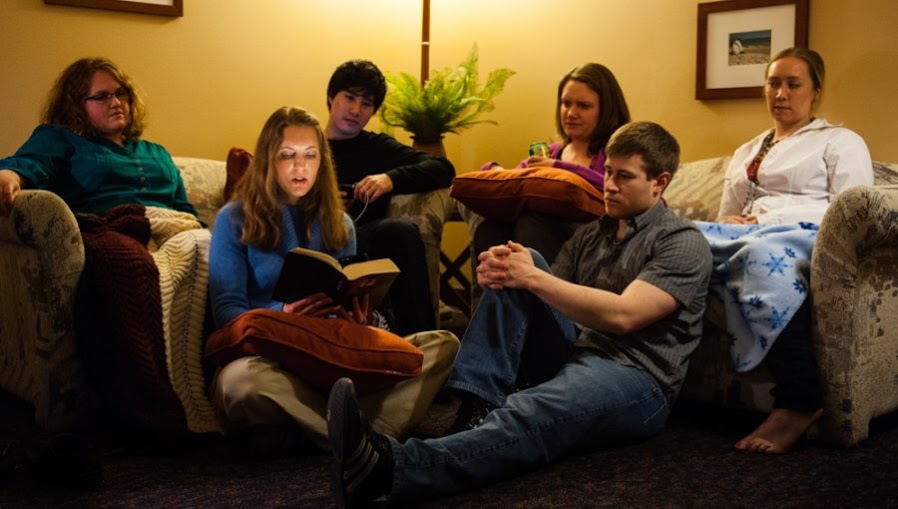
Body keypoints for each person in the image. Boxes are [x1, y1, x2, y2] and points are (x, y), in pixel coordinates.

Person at [326, 121, 713, 507]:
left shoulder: (681, 241)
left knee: (530, 408)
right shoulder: (594, 234)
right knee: (520, 260)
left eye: (624, 177)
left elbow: (625, 316)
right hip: (576, 347)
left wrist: (531, 278)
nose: (609, 184)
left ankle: (389, 470)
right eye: (608, 172)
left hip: (635, 374)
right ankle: (475, 408)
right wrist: (509, 271)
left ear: (659, 182)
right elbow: (547, 296)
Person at [208, 106, 458, 455]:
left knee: (442, 346)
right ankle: (360, 434)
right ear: (268, 158)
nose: (300, 167)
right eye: (287, 155)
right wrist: (283, 315)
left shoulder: (340, 223)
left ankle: (308, 428)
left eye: (310, 155)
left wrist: (359, 317)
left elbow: (343, 295)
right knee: (240, 385)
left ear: (322, 161)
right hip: (269, 358)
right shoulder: (234, 218)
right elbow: (226, 312)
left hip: (329, 357)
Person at [705, 47, 873, 454]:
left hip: (810, 236)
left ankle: (799, 401)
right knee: (681, 240)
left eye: (793, 84)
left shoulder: (840, 141)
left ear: (815, 91)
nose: (781, 93)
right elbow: (726, 216)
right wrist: (736, 223)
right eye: (773, 83)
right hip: (749, 237)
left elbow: (852, 211)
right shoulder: (747, 151)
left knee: (761, 254)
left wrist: (766, 220)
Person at [325, 59, 456, 336]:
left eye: (366, 104)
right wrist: (320, 201)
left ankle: (423, 342)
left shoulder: (376, 148)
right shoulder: (307, 145)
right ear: (330, 97)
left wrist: (389, 179)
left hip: (360, 244)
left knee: (400, 231)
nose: (356, 110)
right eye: (349, 98)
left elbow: (443, 168)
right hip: (311, 242)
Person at [467, 62, 631, 265]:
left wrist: (557, 168)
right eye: (566, 103)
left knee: (532, 222)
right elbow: (515, 179)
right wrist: (495, 170)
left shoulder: (616, 153)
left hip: (591, 241)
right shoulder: (551, 152)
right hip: (534, 238)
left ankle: (538, 284)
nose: (571, 113)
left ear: (606, 110)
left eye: (584, 106)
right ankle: (499, 284)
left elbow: (616, 189)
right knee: (491, 229)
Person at [0, 57, 196, 217]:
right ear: (76, 105)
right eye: (101, 96)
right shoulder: (60, 138)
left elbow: (185, 212)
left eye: (121, 93)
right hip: (108, 232)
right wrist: (10, 175)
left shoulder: (158, 152)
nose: (116, 103)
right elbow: (28, 163)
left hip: (174, 234)